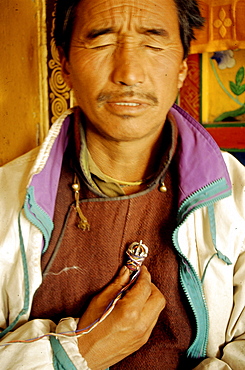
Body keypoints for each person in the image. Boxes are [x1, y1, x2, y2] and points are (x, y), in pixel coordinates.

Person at [0, 0, 244, 369]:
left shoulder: (237, 196)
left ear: (181, 66)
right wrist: (76, 353)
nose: (129, 73)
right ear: (64, 62)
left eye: (153, 41)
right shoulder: (6, 198)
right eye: (101, 41)